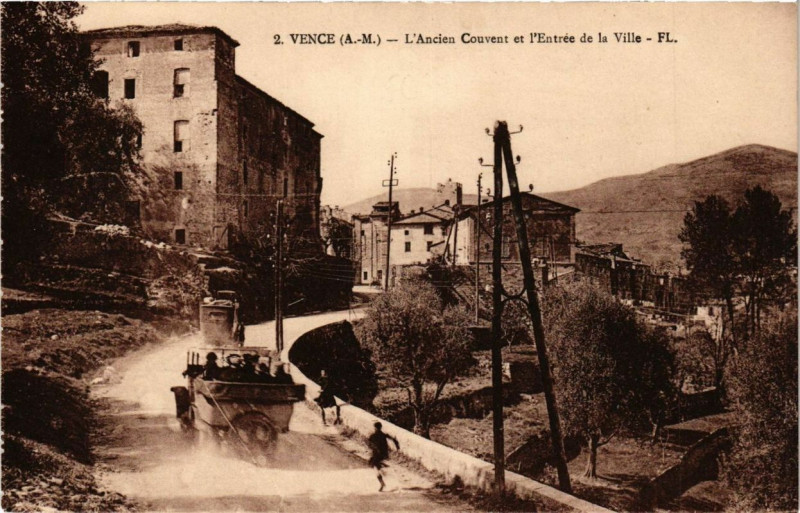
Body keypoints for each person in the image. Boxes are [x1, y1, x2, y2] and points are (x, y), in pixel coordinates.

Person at [367, 421, 399, 492]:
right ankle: (382, 476)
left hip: (376, 454)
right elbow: (393, 439)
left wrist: (374, 447)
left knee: (375, 468)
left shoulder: (373, 435)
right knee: (376, 466)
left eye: (374, 428)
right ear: (381, 427)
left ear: (375, 428)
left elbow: (368, 443)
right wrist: (397, 446)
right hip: (383, 454)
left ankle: (382, 483)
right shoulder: (383, 435)